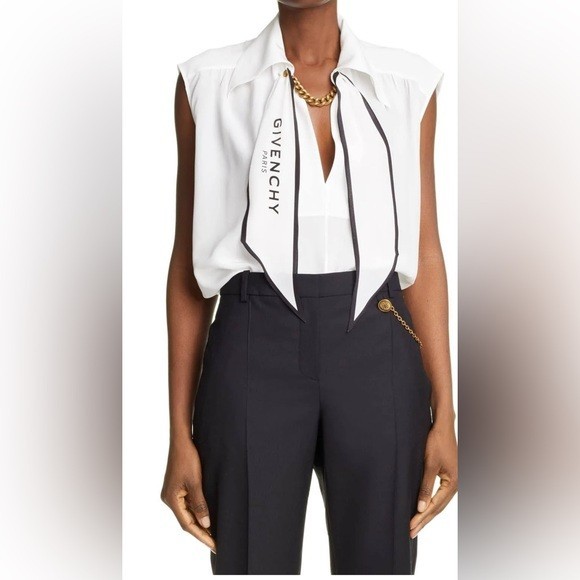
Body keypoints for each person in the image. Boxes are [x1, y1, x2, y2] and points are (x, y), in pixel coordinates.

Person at [161, 0, 457, 574]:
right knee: (251, 562)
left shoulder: (407, 85)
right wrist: (178, 432)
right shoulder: (208, 83)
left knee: (381, 562)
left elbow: (424, 251)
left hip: (378, 342)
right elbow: (187, 262)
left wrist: (446, 411)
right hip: (252, 342)